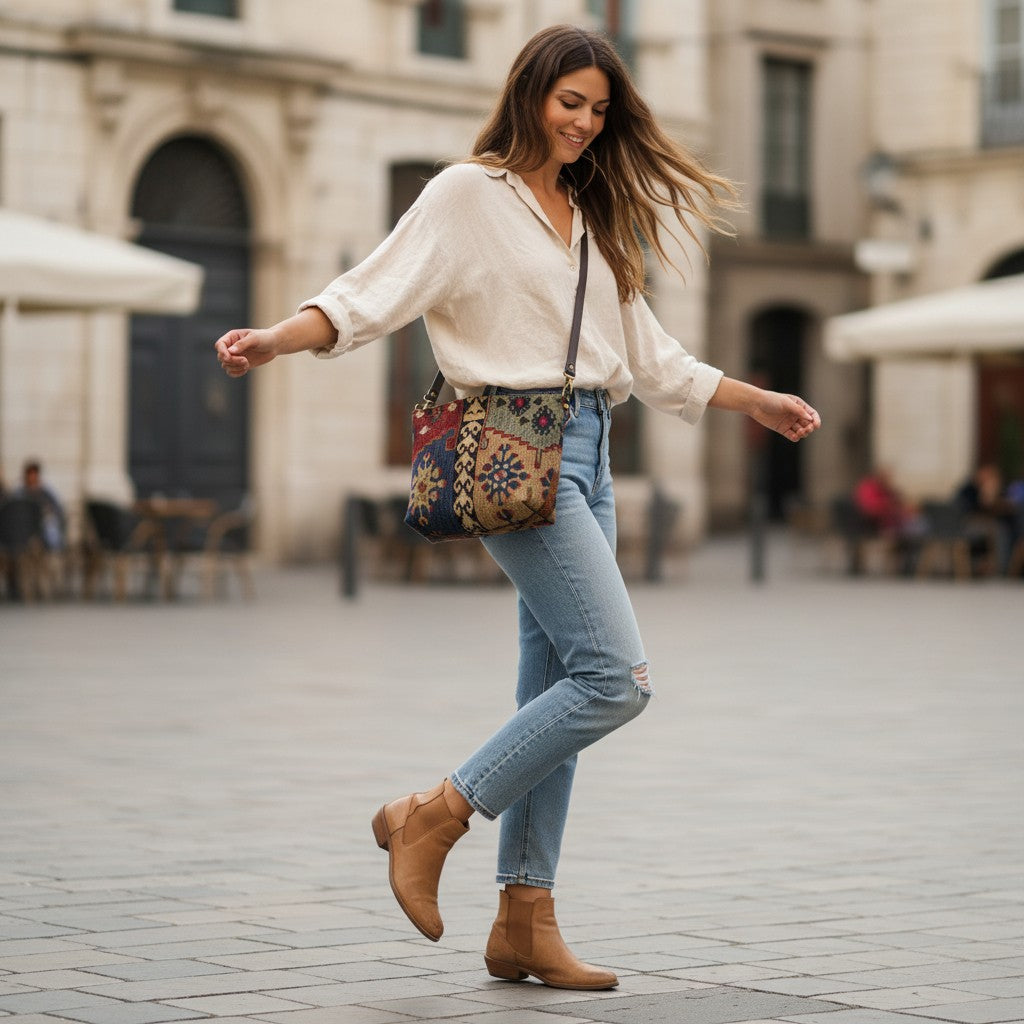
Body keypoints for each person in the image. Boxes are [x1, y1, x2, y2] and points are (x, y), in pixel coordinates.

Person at [216, 25, 820, 989]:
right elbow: (370, 293)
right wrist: (275, 339)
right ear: (531, 92)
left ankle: (524, 920)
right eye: (569, 102)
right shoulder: (467, 194)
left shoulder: (591, 215)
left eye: (599, 110)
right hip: (511, 450)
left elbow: (651, 357)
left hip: (592, 453)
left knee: (559, 687)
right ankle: (433, 815)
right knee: (615, 680)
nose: (583, 123)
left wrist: (756, 401)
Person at [14, 459, 66, 551]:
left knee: (51, 528)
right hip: (25, 524)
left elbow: (58, 508)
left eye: (34, 474)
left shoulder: (47, 491)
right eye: (30, 474)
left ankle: (54, 552)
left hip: (43, 522)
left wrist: (49, 513)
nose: (32, 478)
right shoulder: (19, 492)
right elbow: (13, 509)